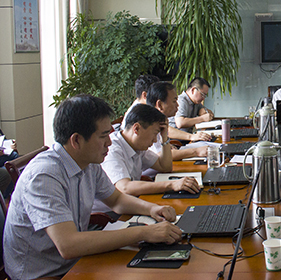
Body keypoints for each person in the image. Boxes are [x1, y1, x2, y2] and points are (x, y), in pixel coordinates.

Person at [3, 95, 182, 280]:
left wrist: (153, 209)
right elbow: (68, 245)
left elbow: (116, 200)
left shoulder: (88, 163)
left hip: (74, 261)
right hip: (43, 273)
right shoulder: (44, 176)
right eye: (103, 136)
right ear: (76, 140)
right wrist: (144, 232)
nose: (109, 142)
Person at [98, 103, 201, 199]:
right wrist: (172, 185)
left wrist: (164, 138)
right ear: (136, 129)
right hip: (110, 211)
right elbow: (125, 188)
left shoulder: (137, 146)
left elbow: (165, 167)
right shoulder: (112, 149)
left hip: (132, 202)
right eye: (154, 133)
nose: (155, 140)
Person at [146, 81, 209, 159]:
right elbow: (161, 155)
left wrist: (168, 146)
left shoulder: (160, 121)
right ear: (160, 105)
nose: (177, 105)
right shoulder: (149, 125)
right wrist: (197, 151)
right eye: (174, 101)